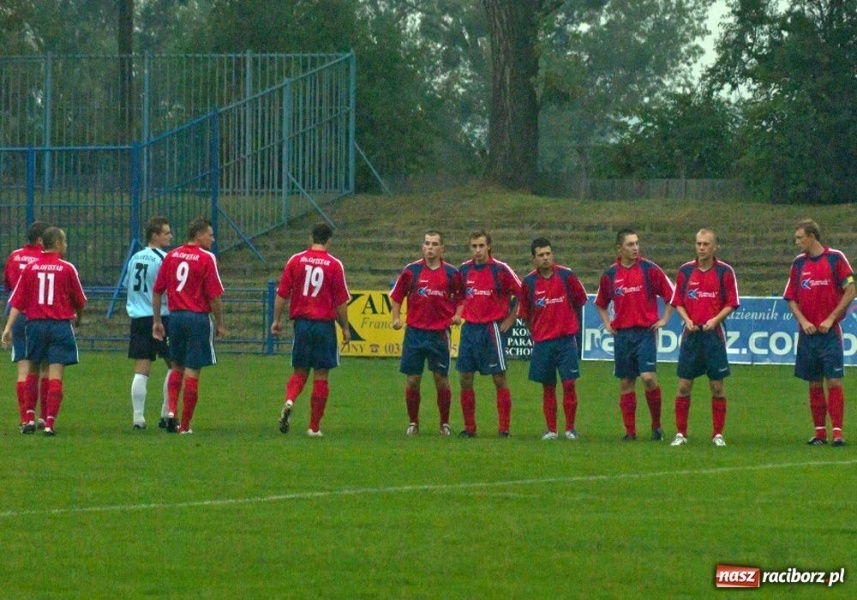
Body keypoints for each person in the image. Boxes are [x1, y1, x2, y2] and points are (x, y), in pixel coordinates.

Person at [2, 227, 87, 436]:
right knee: (55, 372)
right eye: (64, 242)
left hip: (35, 325)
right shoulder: (67, 268)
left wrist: (8, 327)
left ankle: (29, 419)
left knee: (32, 370)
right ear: (57, 244)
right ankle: (49, 423)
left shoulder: (31, 268)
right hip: (59, 326)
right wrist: (79, 317)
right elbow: (80, 300)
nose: (66, 245)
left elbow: (17, 300)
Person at [271, 222, 351, 437]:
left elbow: (282, 294)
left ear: (310, 238)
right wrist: (345, 327)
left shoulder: (296, 260)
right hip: (324, 325)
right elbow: (340, 302)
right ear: (329, 240)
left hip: (302, 325)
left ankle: (289, 400)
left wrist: (276, 320)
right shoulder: (334, 265)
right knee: (321, 374)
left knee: (299, 371)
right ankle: (314, 427)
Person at [595, 228, 674, 441]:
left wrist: (664, 319)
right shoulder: (611, 274)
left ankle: (656, 426)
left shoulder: (649, 269)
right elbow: (601, 303)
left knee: (648, 378)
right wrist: (607, 324)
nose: (635, 248)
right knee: (626, 382)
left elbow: (672, 295)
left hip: (645, 333)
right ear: (619, 248)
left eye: (637, 243)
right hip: (622, 335)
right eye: (630, 244)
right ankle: (630, 432)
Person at [784, 219, 855, 447]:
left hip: (830, 334)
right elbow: (791, 298)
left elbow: (851, 290)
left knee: (833, 381)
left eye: (799, 238)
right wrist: (804, 321)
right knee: (814, 383)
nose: (797, 242)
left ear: (812, 237)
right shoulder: (798, 264)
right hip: (808, 335)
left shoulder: (835, 258)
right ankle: (820, 433)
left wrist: (831, 318)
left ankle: (838, 433)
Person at [152, 217, 225, 435]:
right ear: (198, 235)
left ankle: (171, 411)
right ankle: (184, 425)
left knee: (176, 366)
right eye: (210, 235)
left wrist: (157, 321)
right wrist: (220, 323)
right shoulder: (206, 258)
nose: (213, 239)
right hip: (197, 318)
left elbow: (157, 290)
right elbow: (214, 296)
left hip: (175, 317)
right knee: (193, 370)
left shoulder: (171, 256)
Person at [668, 229, 740, 447]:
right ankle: (681, 433)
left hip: (713, 336)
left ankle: (718, 434)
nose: (701, 248)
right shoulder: (685, 271)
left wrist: (716, 320)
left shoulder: (725, 271)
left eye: (706, 244)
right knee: (683, 386)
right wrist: (686, 319)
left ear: (714, 247)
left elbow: (732, 302)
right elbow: (678, 301)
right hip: (691, 336)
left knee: (717, 386)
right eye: (698, 243)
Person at [390, 230, 463, 436]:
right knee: (413, 379)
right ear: (423, 247)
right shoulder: (411, 270)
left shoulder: (451, 273)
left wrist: (458, 315)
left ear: (442, 248)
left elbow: (461, 298)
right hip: (415, 333)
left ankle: (444, 424)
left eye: (434, 244)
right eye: (427, 243)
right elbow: (397, 296)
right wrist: (396, 318)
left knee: (441, 379)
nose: (430, 247)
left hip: (439, 334)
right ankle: (413, 423)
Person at [453, 229, 522, 438]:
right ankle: (469, 428)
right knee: (465, 377)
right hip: (469, 329)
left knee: (499, 377)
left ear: (489, 247)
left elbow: (522, 292)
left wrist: (511, 318)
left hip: (492, 329)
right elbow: (458, 295)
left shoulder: (500, 269)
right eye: (474, 246)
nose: (478, 250)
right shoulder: (464, 270)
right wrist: (458, 313)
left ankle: (504, 428)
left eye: (481, 246)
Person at [518, 238, 588, 440]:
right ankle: (551, 430)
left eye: (548, 254)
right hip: (543, 342)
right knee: (548, 386)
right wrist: (537, 332)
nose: (546, 258)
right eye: (541, 255)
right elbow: (525, 313)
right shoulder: (529, 282)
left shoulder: (566, 275)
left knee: (569, 383)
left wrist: (567, 322)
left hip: (566, 341)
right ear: (534, 259)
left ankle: (570, 429)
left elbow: (580, 300)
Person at [124, 216, 174, 430]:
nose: (170, 236)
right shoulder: (164, 259)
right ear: (155, 235)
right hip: (160, 317)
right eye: (166, 233)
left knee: (141, 369)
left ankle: (138, 418)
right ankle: (166, 412)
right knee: (175, 364)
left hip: (138, 318)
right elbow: (167, 288)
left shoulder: (135, 258)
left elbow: (128, 284)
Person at [4, 220, 50, 432]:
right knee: (46, 367)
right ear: (40, 240)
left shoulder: (14, 256)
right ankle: (44, 417)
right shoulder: (45, 258)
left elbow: (8, 286)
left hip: (19, 317)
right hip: (39, 317)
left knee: (23, 369)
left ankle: (25, 418)